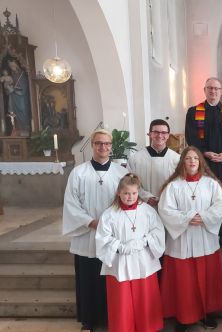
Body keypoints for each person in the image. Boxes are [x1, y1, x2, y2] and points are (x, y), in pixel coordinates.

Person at [62, 129, 128, 331]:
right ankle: (88, 320)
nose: (103, 147)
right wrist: (91, 222)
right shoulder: (78, 172)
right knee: (88, 280)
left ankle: (112, 318)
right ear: (92, 145)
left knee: (110, 280)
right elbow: (70, 204)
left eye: (107, 144)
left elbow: (132, 196)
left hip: (112, 236)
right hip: (87, 236)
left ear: (111, 146)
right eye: (99, 143)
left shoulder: (121, 173)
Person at [158, 146, 222, 331]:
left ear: (200, 162)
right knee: (184, 282)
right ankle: (184, 317)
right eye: (188, 158)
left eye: (195, 158)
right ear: (182, 162)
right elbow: (165, 210)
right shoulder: (173, 186)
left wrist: (204, 217)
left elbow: (220, 205)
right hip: (181, 241)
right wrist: (188, 218)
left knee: (207, 279)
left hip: (204, 238)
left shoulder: (211, 183)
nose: (192, 162)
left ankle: (207, 313)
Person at [95, 173, 166, 332]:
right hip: (120, 263)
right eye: (126, 193)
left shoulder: (147, 211)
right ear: (118, 193)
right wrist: (119, 246)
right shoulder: (109, 214)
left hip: (144, 261)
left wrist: (145, 241)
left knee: (145, 298)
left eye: (134, 193)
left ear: (138, 193)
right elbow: (102, 238)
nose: (130, 197)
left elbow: (158, 231)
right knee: (122, 302)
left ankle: (147, 327)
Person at [185, 77, 222, 249]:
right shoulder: (193, 112)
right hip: (204, 163)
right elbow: (191, 136)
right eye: (210, 88)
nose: (213, 91)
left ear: (221, 91)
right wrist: (204, 152)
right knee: (205, 197)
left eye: (216, 88)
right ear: (204, 90)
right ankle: (205, 231)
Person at [128, 119, 180, 208]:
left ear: (168, 135)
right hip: (143, 205)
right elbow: (130, 182)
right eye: (156, 132)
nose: (160, 135)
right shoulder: (135, 158)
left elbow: (180, 183)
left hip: (170, 206)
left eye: (164, 132)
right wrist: (146, 197)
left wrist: (166, 199)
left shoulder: (177, 159)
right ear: (150, 134)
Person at [4, 59, 31, 136]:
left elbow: (24, 88)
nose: (12, 67)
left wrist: (14, 90)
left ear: (17, 65)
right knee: (13, 114)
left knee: (23, 112)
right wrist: (8, 88)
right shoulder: (11, 76)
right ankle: (16, 129)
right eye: (10, 66)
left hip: (21, 98)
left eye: (13, 65)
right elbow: (7, 90)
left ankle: (25, 130)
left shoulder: (22, 75)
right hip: (13, 98)